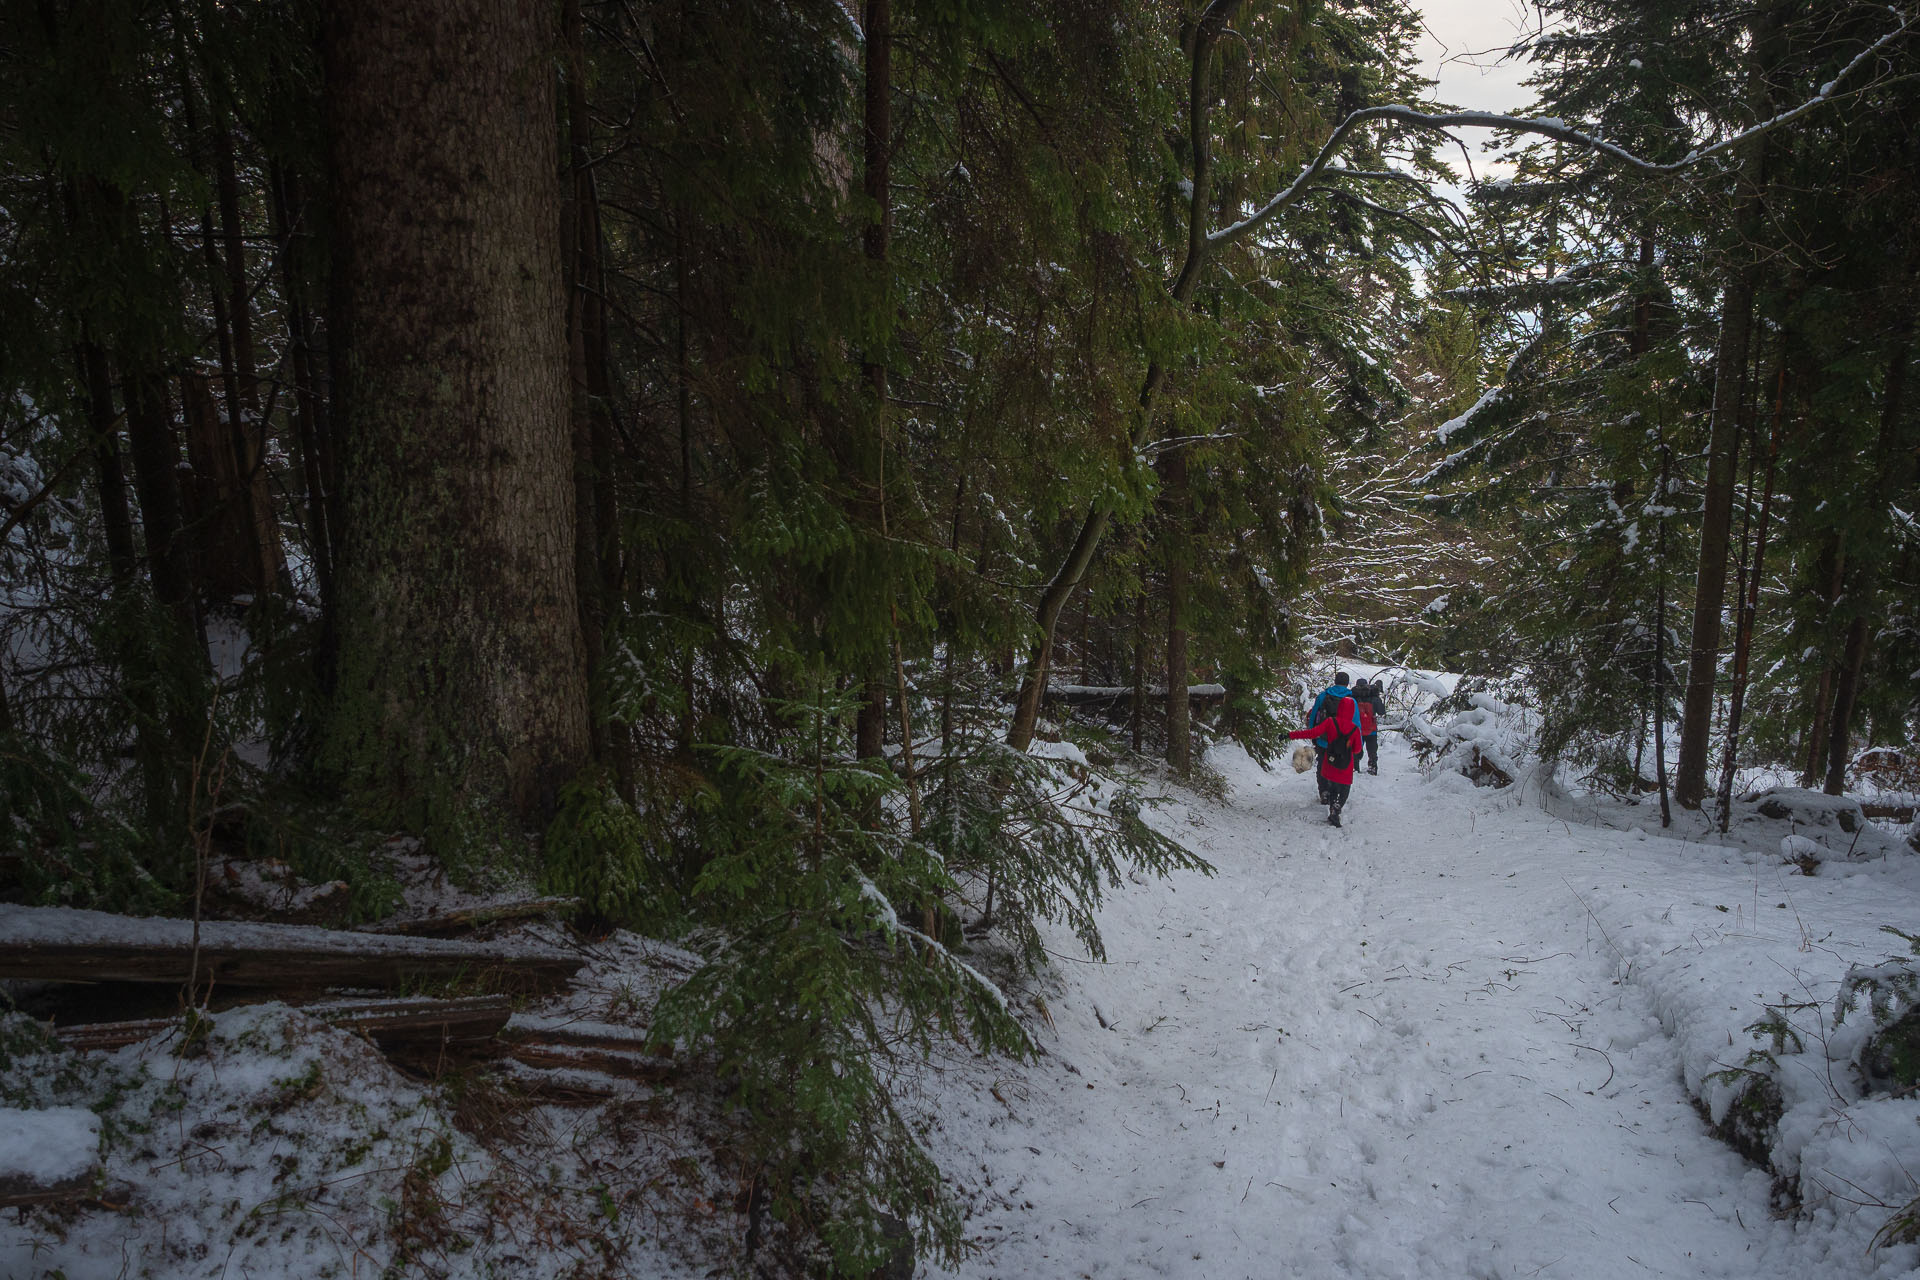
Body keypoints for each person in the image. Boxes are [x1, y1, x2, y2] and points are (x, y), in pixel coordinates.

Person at [1289, 689, 1363, 826]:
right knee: (1344, 789)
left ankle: (1332, 807)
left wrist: (1290, 735)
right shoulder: (1354, 728)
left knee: (1333, 788)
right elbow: (1357, 749)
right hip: (1345, 764)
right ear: (1353, 711)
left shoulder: (1330, 722)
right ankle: (1337, 807)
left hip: (1331, 761)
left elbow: (1312, 733)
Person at [1307, 671, 1354, 801]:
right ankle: (1335, 792)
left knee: (1323, 764)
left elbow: (1314, 715)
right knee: (1340, 766)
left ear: (1335, 681)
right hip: (1343, 741)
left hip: (1324, 738)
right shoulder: (1352, 699)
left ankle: (1324, 791)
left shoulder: (1323, 696)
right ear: (1347, 683)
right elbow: (1356, 722)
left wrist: (1313, 732)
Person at [1352, 678, 1385, 775]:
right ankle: (1372, 767)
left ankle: (1355, 768)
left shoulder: (1353, 697)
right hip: (1372, 729)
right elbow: (1381, 712)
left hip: (1357, 729)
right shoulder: (1374, 697)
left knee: (1356, 749)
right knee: (1372, 750)